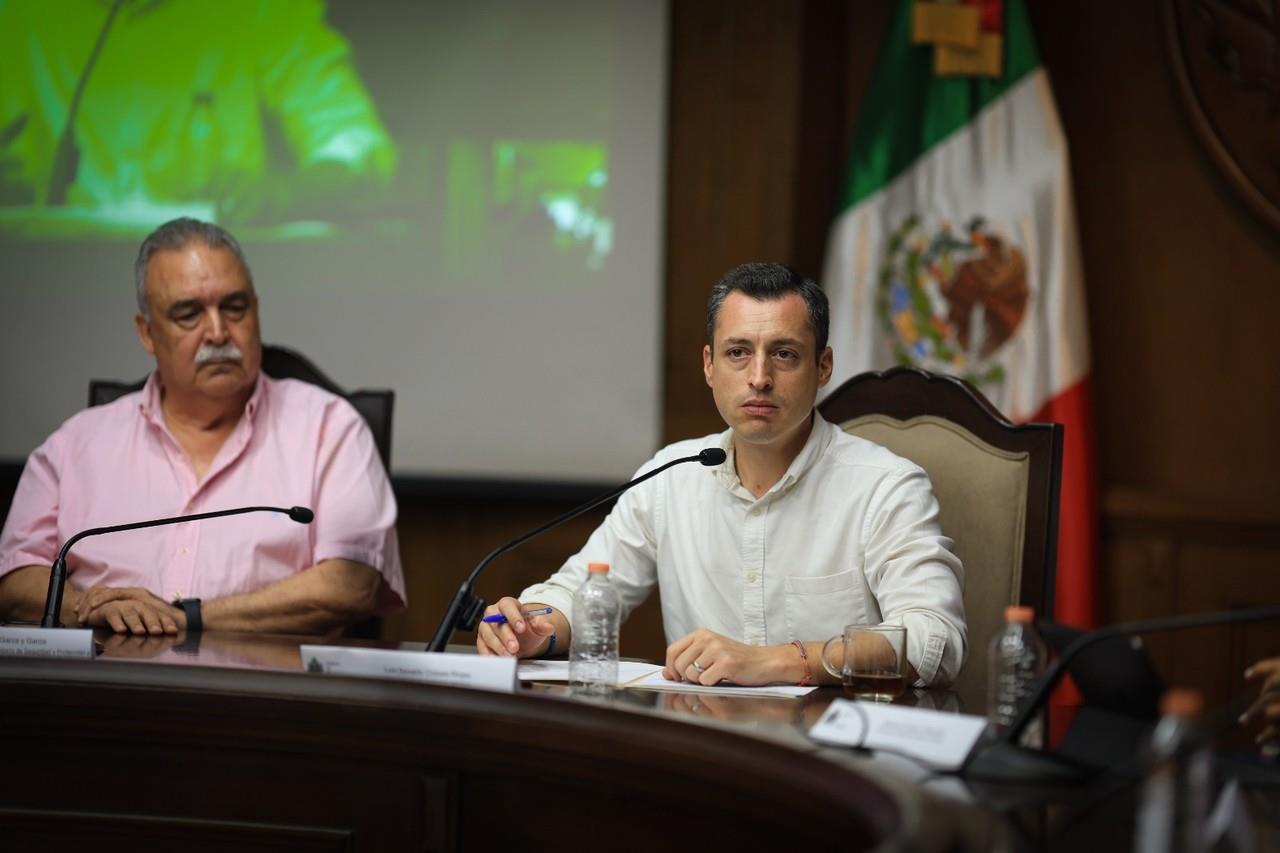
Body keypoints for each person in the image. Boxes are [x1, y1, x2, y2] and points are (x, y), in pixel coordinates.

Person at [477, 263, 966, 687]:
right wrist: (532, 629)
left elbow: (934, 639)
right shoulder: (671, 477)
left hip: (836, 758)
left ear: (823, 367)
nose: (759, 377)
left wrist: (783, 660)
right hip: (706, 751)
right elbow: (582, 592)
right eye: (737, 353)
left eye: (784, 354)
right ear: (709, 365)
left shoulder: (885, 486)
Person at [0, 217, 404, 634]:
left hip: (266, 691)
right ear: (147, 333)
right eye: (188, 314)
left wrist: (188, 618)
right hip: (102, 686)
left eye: (234, 307)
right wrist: (91, 607)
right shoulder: (76, 445)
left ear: (256, 310)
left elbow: (351, 585)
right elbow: (13, 578)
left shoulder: (330, 430)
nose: (217, 332)